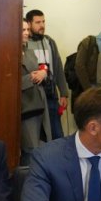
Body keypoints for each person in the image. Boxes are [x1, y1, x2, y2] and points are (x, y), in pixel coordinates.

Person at [25, 9, 68, 140]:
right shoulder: (24, 43)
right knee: (37, 136)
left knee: (57, 134)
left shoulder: (49, 42)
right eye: (38, 22)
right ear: (29, 23)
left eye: (43, 21)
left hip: (50, 94)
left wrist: (64, 93)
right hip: (33, 96)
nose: (42, 25)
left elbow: (58, 67)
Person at [20, 19, 51, 165]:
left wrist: (43, 73)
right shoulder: (9, 51)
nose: (27, 33)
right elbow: (7, 81)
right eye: (23, 30)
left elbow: (43, 68)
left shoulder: (30, 51)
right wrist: (30, 78)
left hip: (39, 101)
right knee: (30, 147)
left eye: (27, 29)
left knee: (41, 143)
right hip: (25, 105)